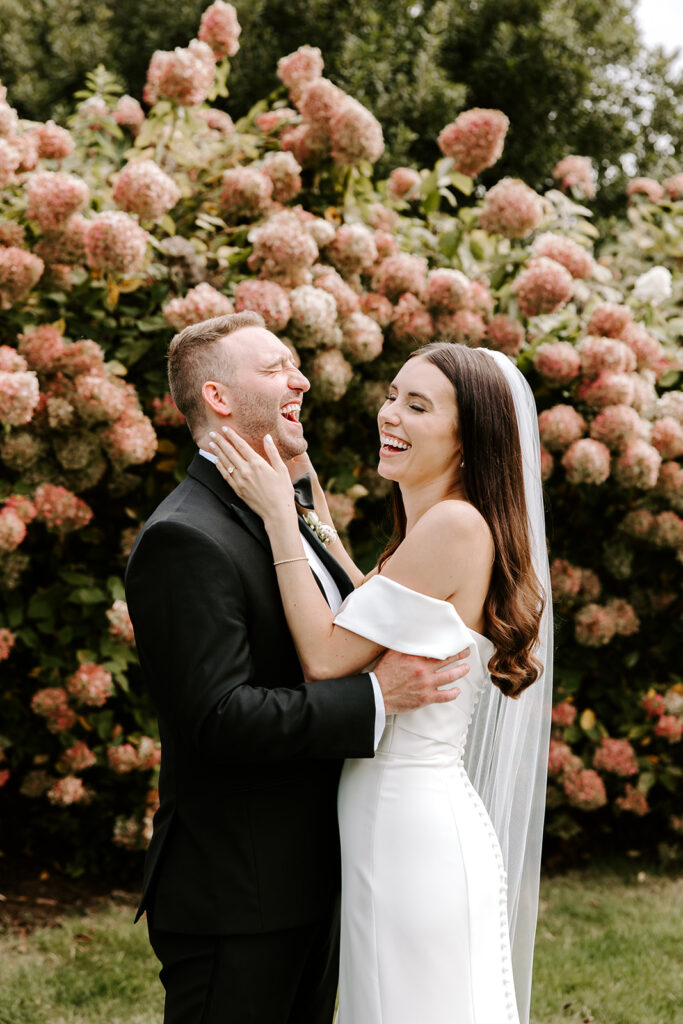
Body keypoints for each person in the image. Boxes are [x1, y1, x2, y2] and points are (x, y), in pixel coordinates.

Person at [124, 313, 472, 1024]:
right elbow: (219, 718)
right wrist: (375, 698)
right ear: (220, 399)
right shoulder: (185, 538)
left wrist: (301, 515)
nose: (302, 377)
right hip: (240, 898)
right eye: (276, 366)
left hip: (316, 878)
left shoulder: (280, 508)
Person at [209, 339, 553, 1024]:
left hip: (412, 824)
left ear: (468, 439)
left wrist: (281, 517)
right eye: (392, 395)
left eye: (418, 406)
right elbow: (372, 605)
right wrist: (315, 514)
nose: (390, 415)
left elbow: (327, 657)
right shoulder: (439, 524)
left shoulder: (455, 525)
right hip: (390, 816)